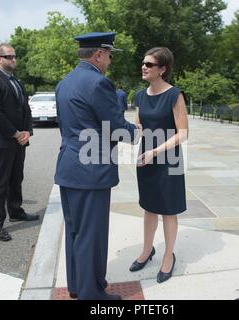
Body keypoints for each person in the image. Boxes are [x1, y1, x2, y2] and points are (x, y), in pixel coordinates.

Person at [54, 32, 141, 300]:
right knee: (91, 234)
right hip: (91, 170)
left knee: (76, 232)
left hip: (70, 166)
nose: (110, 62)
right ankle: (92, 295)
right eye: (110, 55)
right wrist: (135, 131)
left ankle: (79, 286)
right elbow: (115, 127)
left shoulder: (64, 83)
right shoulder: (98, 83)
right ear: (99, 54)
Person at [130, 47, 188, 283]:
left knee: (168, 209)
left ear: (162, 69)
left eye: (150, 64)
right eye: (143, 63)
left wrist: (155, 151)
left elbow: (183, 133)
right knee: (149, 206)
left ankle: (168, 256)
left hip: (168, 158)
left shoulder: (174, 95)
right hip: (146, 157)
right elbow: (139, 126)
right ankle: (147, 250)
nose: (144, 67)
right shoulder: (140, 96)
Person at [0, 43, 39, 242]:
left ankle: (16, 210)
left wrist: (28, 131)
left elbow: (25, 109)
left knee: (16, 178)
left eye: (14, 56)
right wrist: (15, 133)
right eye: (9, 57)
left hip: (19, 141)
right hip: (2, 141)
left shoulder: (17, 81)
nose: (13, 60)